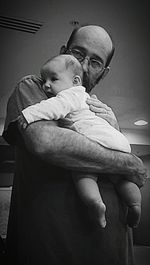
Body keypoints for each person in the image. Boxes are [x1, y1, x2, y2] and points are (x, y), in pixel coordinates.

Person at [2, 25, 146, 265]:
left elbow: (128, 168)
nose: (85, 65)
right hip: (54, 254)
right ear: (64, 52)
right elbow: (47, 142)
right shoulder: (35, 88)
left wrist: (116, 131)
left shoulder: (96, 111)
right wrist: (132, 164)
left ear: (104, 72)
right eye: (78, 53)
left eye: (96, 61)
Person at [20, 53, 141, 229]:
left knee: (83, 173)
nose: (46, 85)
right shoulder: (86, 98)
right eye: (44, 79)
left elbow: (53, 108)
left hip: (97, 138)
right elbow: (44, 142)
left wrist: (29, 115)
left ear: (76, 81)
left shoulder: (69, 95)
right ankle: (135, 205)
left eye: (53, 79)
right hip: (119, 142)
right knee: (121, 179)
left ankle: (95, 204)